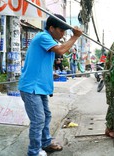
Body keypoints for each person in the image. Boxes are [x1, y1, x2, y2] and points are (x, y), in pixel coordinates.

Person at [18, 14, 82, 156]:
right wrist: (75, 37)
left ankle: (46, 143)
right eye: (61, 30)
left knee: (46, 116)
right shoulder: (43, 36)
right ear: (51, 28)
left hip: (39, 87)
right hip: (31, 88)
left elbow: (40, 62)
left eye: (65, 31)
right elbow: (60, 50)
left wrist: (50, 73)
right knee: (38, 120)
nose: (63, 33)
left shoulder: (48, 39)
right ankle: (33, 151)